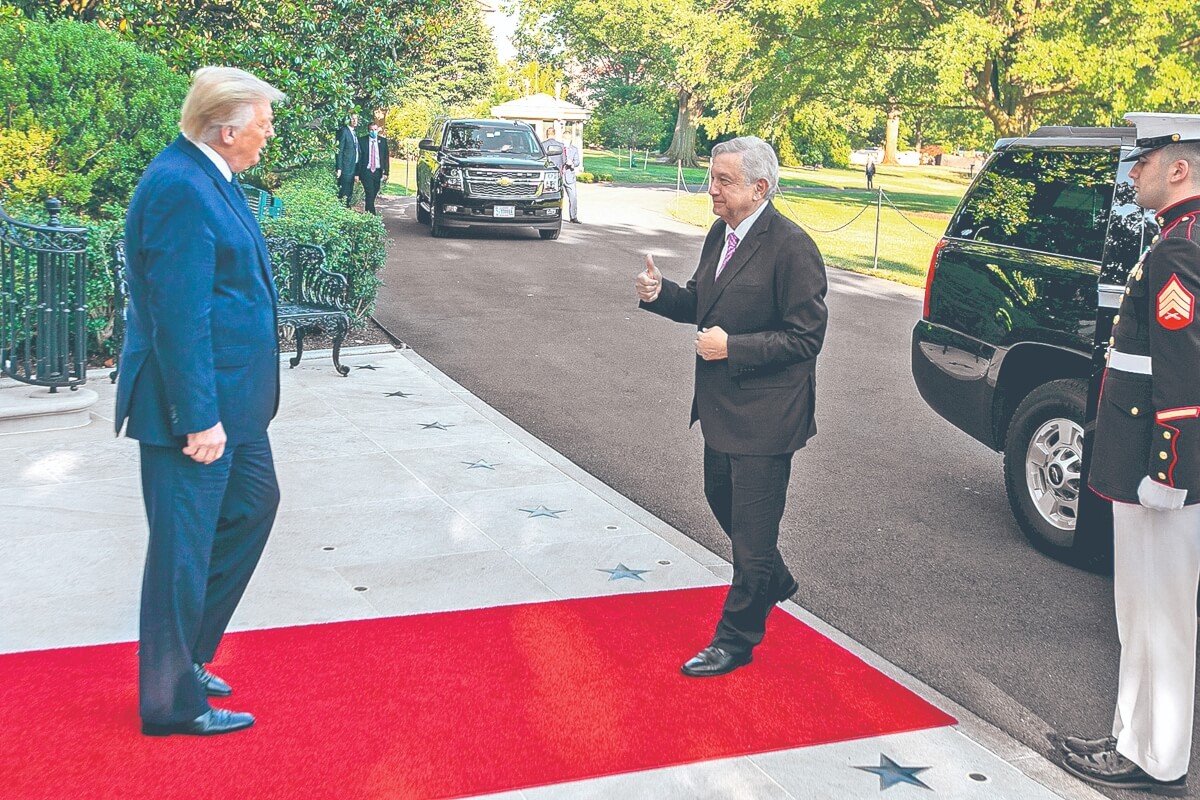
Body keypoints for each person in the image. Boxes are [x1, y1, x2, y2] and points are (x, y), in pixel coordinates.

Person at [114, 66, 285, 737]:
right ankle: (169, 701)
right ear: (228, 127)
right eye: (263, 122)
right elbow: (177, 314)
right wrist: (199, 416)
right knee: (181, 553)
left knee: (252, 505)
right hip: (198, 410)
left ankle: (188, 658)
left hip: (234, 402)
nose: (269, 133)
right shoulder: (181, 186)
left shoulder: (208, 176)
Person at [634, 136, 828, 677]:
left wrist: (733, 348)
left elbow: (806, 338)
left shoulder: (793, 248)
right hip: (722, 409)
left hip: (768, 415)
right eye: (712, 177)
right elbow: (702, 299)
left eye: (723, 180)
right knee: (720, 498)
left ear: (759, 188)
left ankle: (736, 638)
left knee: (752, 530)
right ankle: (773, 577)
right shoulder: (722, 232)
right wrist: (659, 293)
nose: (711, 189)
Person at [1053, 113, 1200, 796]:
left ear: (1180, 168)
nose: (1132, 173)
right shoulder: (1176, 238)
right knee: (1140, 613)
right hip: (1148, 466)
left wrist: (1167, 473)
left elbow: (1185, 375)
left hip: (1160, 473)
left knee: (1158, 617)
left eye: (1145, 162)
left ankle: (1157, 758)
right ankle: (1130, 739)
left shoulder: (1181, 249)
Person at [357, 121, 389, 215]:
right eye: (371, 130)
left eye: (375, 130)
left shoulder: (383, 141)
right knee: (369, 192)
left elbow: (386, 157)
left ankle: (368, 211)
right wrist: (357, 173)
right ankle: (372, 214)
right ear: (368, 130)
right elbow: (359, 158)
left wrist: (386, 172)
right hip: (366, 171)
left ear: (377, 130)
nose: (373, 132)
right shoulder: (362, 141)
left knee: (374, 191)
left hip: (377, 171)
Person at [336, 111, 359, 207]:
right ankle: (343, 212)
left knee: (349, 192)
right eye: (352, 118)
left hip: (353, 166)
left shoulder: (354, 132)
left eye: (356, 119)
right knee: (344, 193)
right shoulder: (344, 131)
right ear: (348, 120)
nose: (354, 121)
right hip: (346, 167)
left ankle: (347, 210)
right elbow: (339, 150)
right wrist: (339, 167)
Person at [562, 131, 583, 223]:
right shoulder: (559, 148)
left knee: (573, 197)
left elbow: (577, 161)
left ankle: (573, 217)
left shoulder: (574, 149)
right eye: (565, 139)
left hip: (570, 177)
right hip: (560, 176)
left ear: (570, 139)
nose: (566, 141)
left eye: (568, 139)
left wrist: (572, 163)